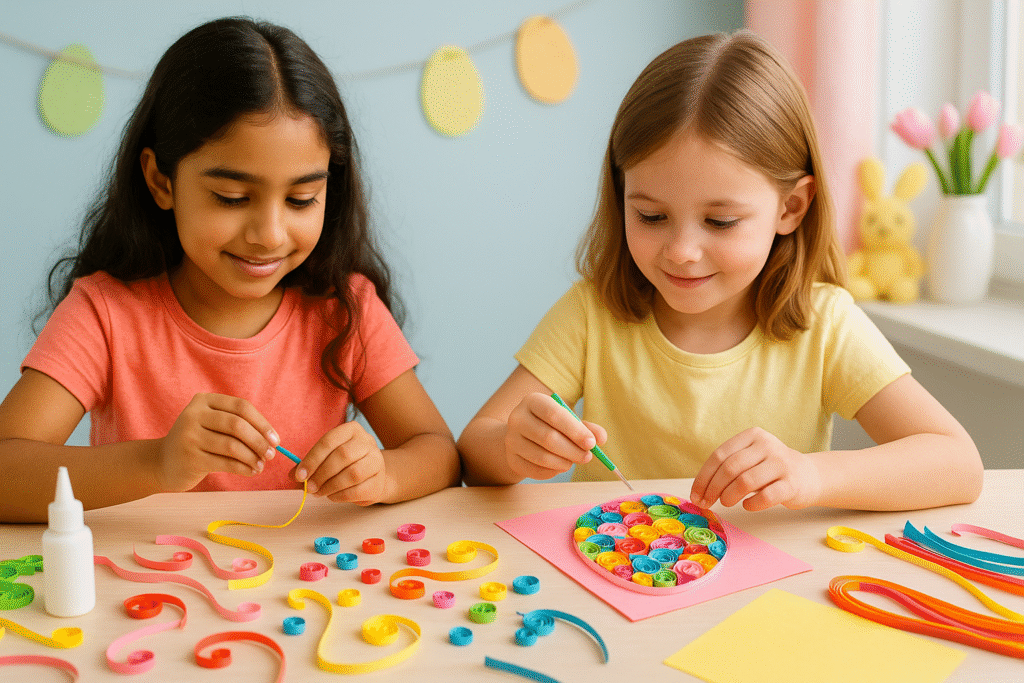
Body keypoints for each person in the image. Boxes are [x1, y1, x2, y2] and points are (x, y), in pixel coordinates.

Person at [458, 30, 983, 512]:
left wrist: (813, 474)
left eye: (720, 221)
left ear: (791, 208)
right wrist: (512, 448)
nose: (682, 251)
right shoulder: (593, 314)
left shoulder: (823, 326)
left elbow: (958, 464)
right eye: (651, 216)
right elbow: (475, 452)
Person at [0, 17, 460, 523]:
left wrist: (384, 474)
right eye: (232, 197)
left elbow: (438, 451)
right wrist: (157, 463)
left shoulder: (342, 306)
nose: (269, 233)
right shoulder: (104, 312)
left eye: (302, 198)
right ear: (161, 181)